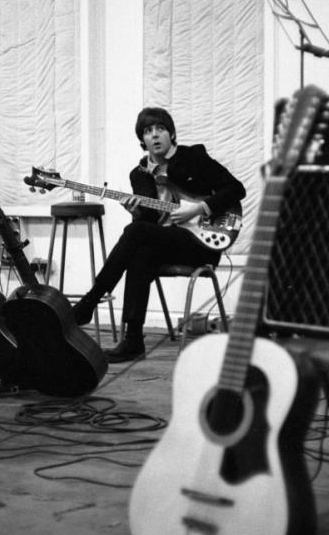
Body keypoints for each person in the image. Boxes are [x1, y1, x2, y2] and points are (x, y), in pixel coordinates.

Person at [72, 107, 246, 362]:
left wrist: (198, 208)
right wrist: (137, 212)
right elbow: (151, 222)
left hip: (202, 241)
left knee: (136, 234)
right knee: (140, 251)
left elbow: (236, 189)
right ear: (142, 140)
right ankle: (132, 340)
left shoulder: (194, 157)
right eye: (147, 131)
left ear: (172, 133)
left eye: (160, 128)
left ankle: (90, 302)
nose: (154, 135)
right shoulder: (139, 174)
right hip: (167, 241)